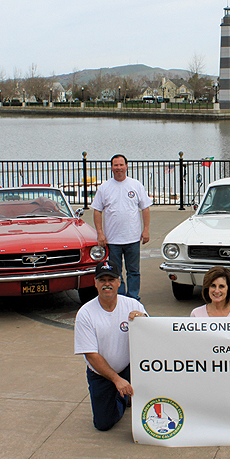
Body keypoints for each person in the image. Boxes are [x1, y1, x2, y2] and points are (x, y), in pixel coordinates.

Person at [74, 259, 148, 431]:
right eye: (102, 280)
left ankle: (127, 394)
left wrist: (142, 320)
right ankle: (122, 397)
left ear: (119, 282)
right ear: (95, 283)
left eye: (111, 280)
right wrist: (117, 380)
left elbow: (151, 335)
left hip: (130, 368)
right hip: (101, 374)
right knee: (103, 424)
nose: (107, 284)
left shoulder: (132, 304)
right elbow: (91, 355)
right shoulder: (86, 313)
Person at [91, 154, 153, 301]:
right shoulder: (104, 188)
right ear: (111, 167)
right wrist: (100, 233)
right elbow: (97, 211)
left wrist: (146, 229)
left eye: (121, 165)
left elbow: (145, 208)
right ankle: (120, 297)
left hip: (132, 238)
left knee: (133, 271)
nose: (118, 168)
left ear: (126, 166)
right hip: (112, 240)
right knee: (115, 273)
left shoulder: (136, 185)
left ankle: (133, 298)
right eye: (115, 165)